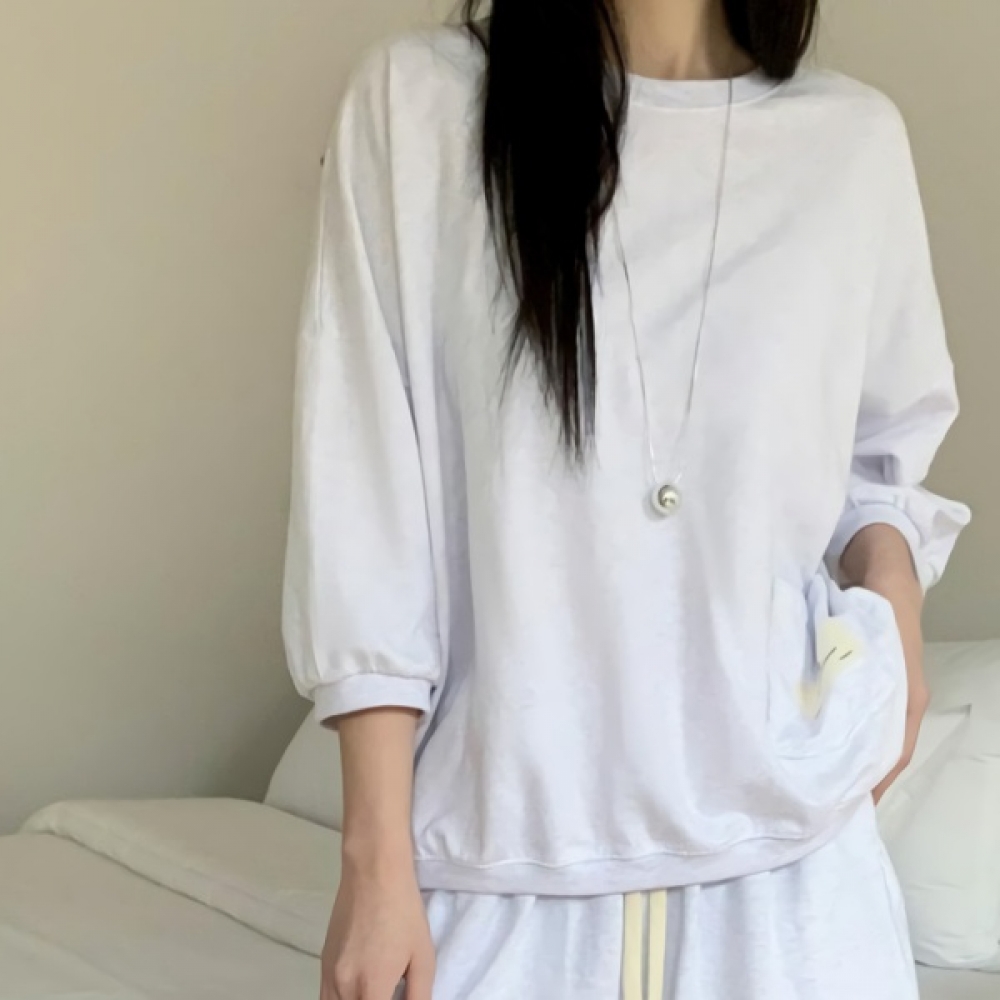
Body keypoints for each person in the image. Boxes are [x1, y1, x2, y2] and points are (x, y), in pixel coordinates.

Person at [281, 1, 972, 997]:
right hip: (498, 880)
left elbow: (879, 466)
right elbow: (365, 498)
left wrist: (896, 612)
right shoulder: (417, 105)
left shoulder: (851, 144)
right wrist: (373, 863)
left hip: (799, 890)